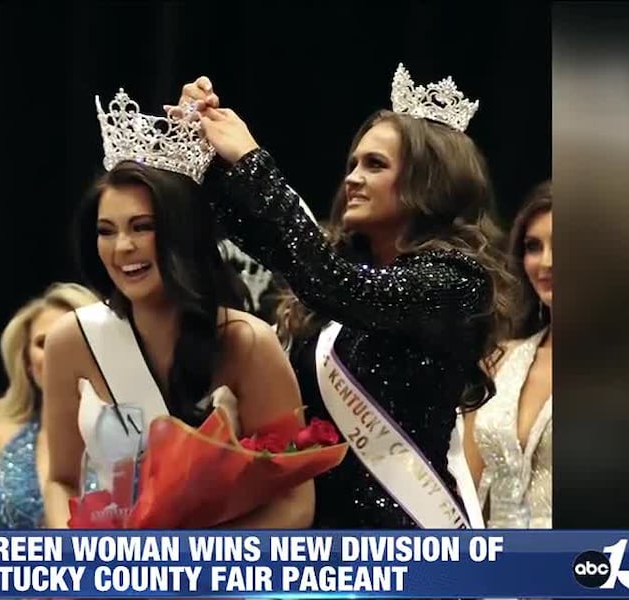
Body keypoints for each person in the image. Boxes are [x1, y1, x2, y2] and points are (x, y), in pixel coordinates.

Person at [176, 64, 517, 530]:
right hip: (322, 538)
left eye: (375, 165)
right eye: (352, 164)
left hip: (407, 540)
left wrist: (253, 159)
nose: (353, 178)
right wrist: (208, 152)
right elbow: (266, 238)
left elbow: (335, 286)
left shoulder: (456, 281)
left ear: (429, 183)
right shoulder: (344, 270)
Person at [40, 89, 314, 530]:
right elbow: (61, 481)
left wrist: (192, 568)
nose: (122, 247)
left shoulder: (247, 344)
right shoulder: (72, 340)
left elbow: (295, 503)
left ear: (180, 234)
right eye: (106, 231)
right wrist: (78, 562)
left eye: (142, 227)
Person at [0, 282, 100, 529]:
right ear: (26, 360)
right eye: (43, 343)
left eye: (71, 339)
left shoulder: (130, 442)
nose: (57, 354)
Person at [465, 181, 553, 528]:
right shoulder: (498, 360)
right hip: (492, 571)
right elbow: (464, 489)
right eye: (534, 246)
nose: (546, 262)